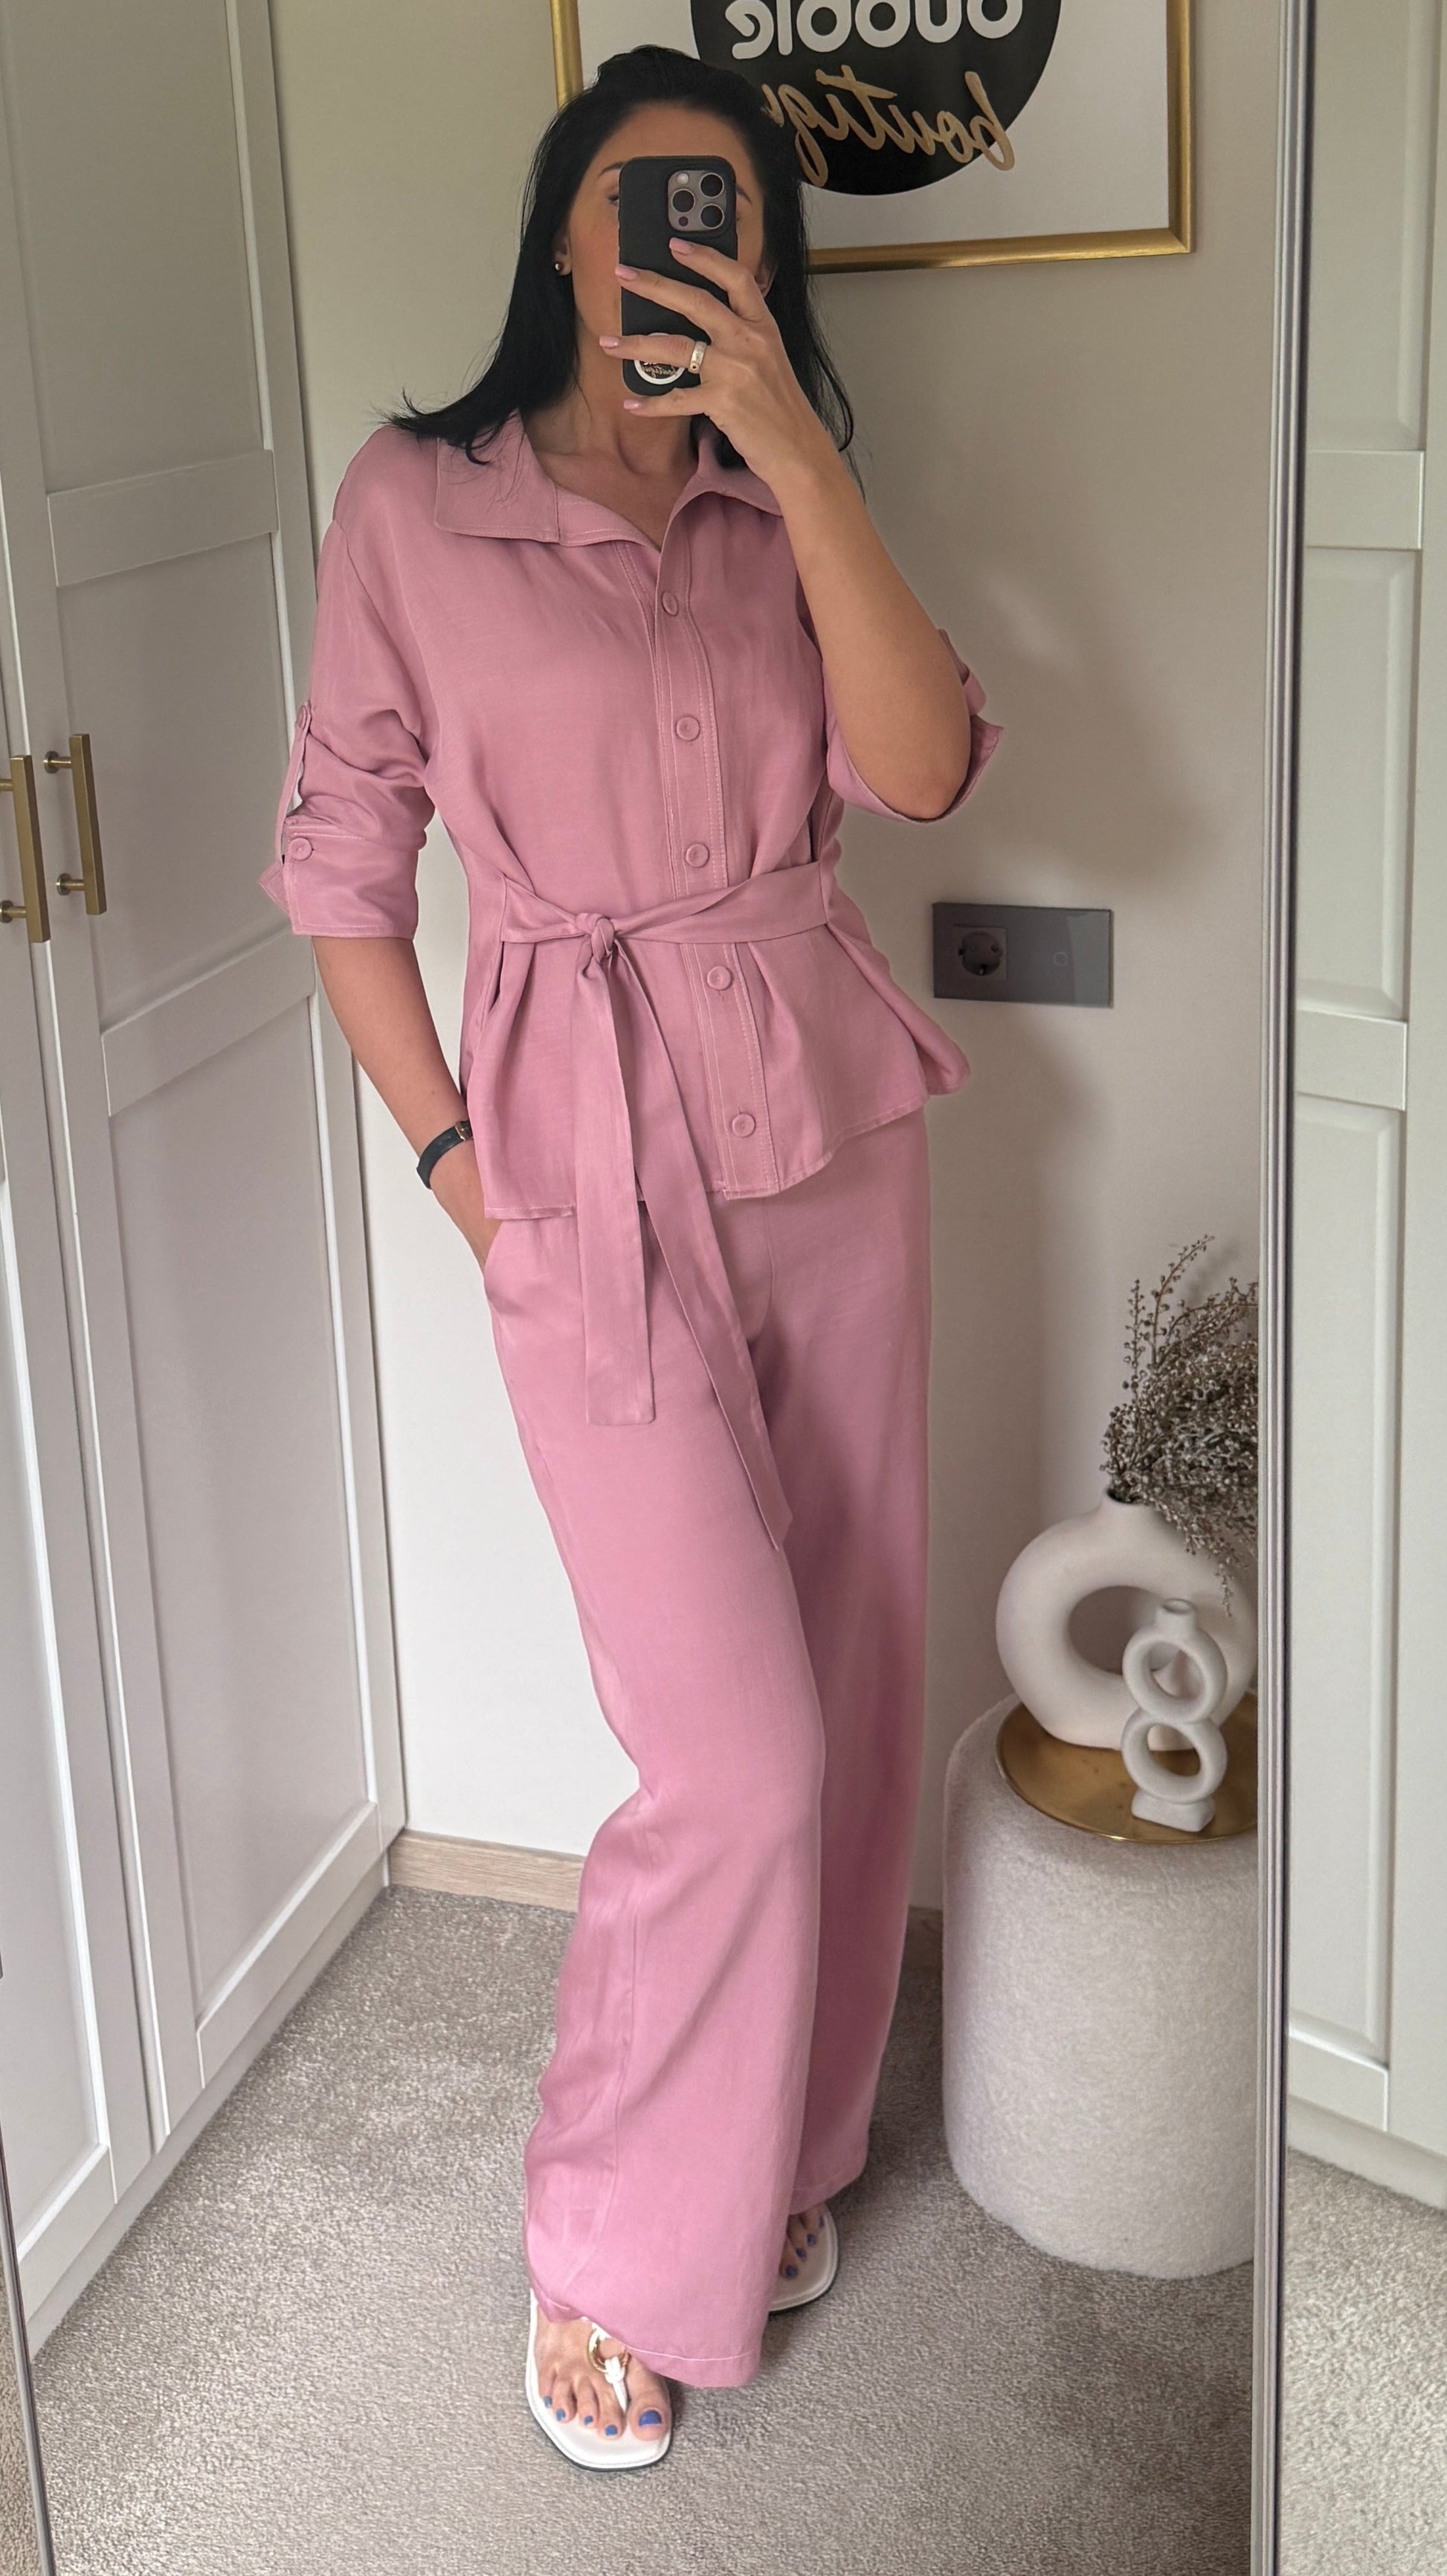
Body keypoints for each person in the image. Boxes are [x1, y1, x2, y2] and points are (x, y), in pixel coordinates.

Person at [260, 41, 999, 2470]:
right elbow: (336, 866)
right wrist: (465, 1173)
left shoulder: (782, 500)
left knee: (856, 1681)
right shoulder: (415, 501)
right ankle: (602, 2236)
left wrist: (794, 449)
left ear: (763, 262)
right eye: (639, 202)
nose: (682, 246)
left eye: (728, 214)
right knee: (737, 1746)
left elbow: (921, 768)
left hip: (829, 1129)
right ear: (560, 237)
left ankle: (775, 2151)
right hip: (580, 1152)